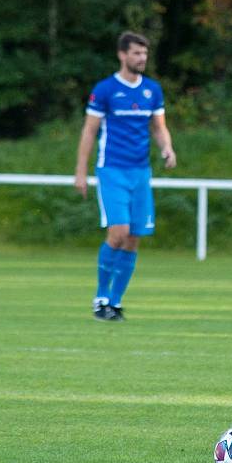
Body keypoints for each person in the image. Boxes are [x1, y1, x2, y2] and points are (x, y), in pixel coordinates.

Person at [74, 31, 176, 322]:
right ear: (122, 55)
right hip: (112, 171)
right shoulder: (105, 90)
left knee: (133, 238)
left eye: (144, 54)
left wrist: (167, 148)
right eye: (136, 53)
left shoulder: (152, 90)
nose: (141, 58)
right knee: (117, 233)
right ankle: (100, 298)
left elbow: (158, 127)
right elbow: (89, 132)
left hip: (140, 173)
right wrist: (80, 172)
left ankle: (115, 303)